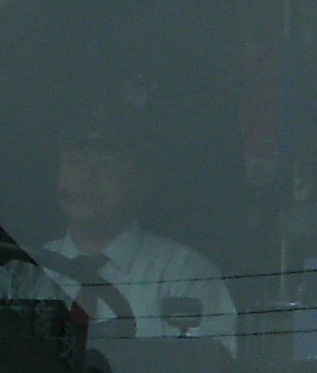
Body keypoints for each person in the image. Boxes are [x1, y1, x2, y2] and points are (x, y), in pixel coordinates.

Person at [15, 122, 237, 345]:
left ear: (143, 181)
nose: (86, 177)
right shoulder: (23, 276)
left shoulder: (187, 276)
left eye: (106, 164)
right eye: (75, 162)